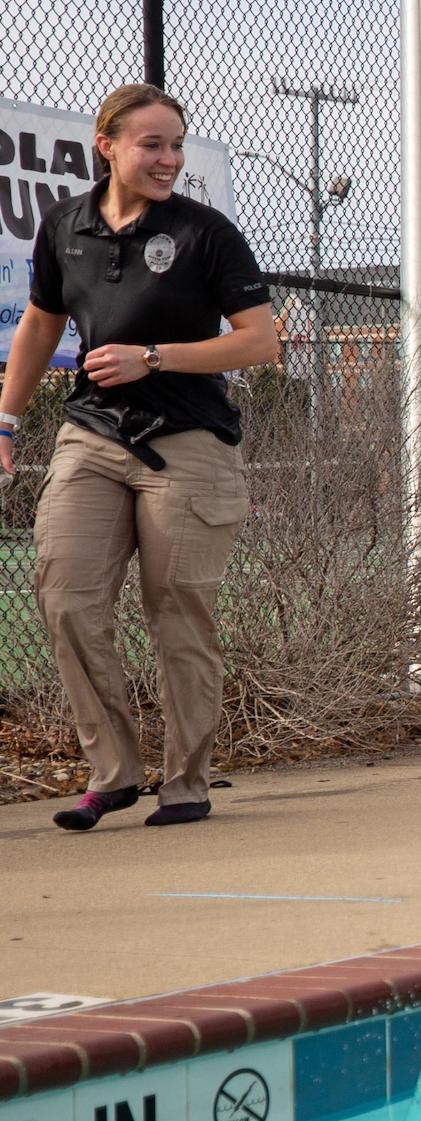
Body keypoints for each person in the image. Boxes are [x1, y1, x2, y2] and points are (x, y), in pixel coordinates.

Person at [0, 85, 281, 832]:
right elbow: (39, 324)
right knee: (66, 594)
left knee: (176, 612)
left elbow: (260, 340)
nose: (168, 159)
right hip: (90, 436)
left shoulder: (206, 233)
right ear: (108, 145)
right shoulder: (65, 226)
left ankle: (185, 779)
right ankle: (113, 772)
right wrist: (5, 417)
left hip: (188, 442)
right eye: (152, 144)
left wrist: (153, 358)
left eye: (177, 145)